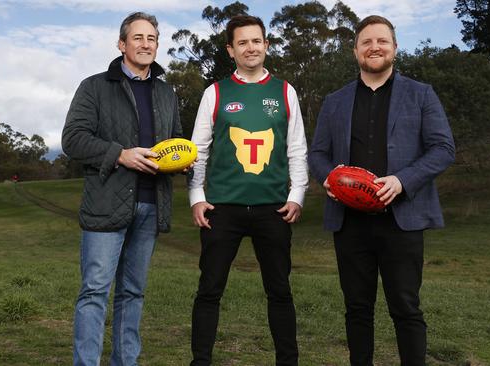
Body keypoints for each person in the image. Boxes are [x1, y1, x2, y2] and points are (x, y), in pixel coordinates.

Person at [308, 15, 455, 366]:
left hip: (401, 220)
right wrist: (328, 178)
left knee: (405, 307)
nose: (374, 47)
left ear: (394, 48)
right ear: (356, 50)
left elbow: (443, 149)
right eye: (366, 42)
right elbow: (317, 153)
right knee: (357, 308)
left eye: (382, 41)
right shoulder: (335, 100)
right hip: (350, 222)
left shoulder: (421, 94)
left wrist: (402, 181)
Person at [61, 12, 182, 366]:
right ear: (122, 44)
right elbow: (73, 140)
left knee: (133, 293)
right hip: (106, 205)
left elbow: (174, 142)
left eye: (152, 39)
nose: (146, 44)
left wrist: (180, 160)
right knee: (95, 291)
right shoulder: (95, 86)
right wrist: (120, 155)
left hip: (151, 205)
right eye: (138, 38)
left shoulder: (166, 92)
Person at [188, 14, 308, 366]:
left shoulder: (285, 91)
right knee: (209, 291)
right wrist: (197, 197)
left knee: (280, 292)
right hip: (222, 209)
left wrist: (296, 196)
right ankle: (201, 361)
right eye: (242, 42)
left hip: (273, 208)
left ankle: (288, 361)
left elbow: (297, 149)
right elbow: (199, 151)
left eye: (256, 41)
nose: (250, 47)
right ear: (231, 50)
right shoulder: (215, 93)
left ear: (266, 45)